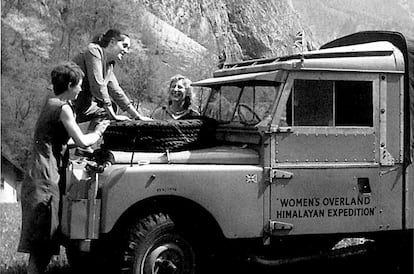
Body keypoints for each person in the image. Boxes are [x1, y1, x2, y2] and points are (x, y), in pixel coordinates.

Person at [18, 62, 110, 274]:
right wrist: (99, 131)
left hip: (37, 175)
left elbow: (58, 140)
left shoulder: (50, 103)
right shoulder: (63, 108)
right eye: (79, 85)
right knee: (42, 246)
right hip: (46, 178)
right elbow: (81, 141)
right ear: (70, 84)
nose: (80, 90)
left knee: (41, 245)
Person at [72, 29, 150, 128]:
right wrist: (113, 115)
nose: (126, 51)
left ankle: (91, 139)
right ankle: (85, 139)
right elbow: (97, 85)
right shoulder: (94, 51)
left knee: (107, 109)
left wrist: (137, 116)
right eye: (124, 46)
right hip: (66, 100)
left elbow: (116, 91)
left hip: (82, 105)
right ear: (112, 42)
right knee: (108, 109)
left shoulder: (109, 64)